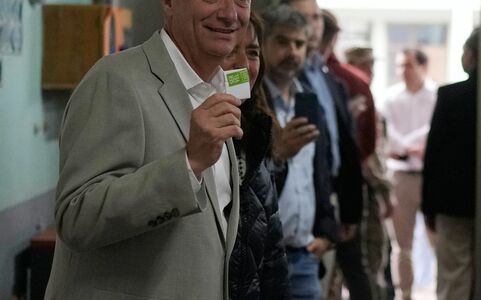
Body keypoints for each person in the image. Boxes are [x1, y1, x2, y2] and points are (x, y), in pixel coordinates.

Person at [45, 0, 252, 299]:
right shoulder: (115, 78)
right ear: (168, 3)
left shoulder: (220, 91)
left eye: (242, 0)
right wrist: (188, 162)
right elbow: (77, 217)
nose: (230, 14)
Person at [260, 5, 339, 300]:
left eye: (299, 44)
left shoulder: (309, 102)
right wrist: (277, 154)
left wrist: (327, 230)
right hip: (263, 257)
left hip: (305, 254)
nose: (292, 51)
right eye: (282, 42)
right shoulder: (250, 103)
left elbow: (320, 173)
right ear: (263, 43)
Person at [281, 0, 365, 245]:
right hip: (297, 206)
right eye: (304, 17)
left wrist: (348, 209)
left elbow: (344, 142)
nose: (313, 25)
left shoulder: (327, 76)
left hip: (330, 194)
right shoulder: (282, 75)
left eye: (316, 17)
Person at [221, 12, 290, 300]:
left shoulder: (255, 128)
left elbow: (270, 241)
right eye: (231, 50)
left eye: (252, 52)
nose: (243, 65)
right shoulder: (190, 128)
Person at [319, 9, 386, 300]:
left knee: (335, 272)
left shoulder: (331, 79)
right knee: (358, 266)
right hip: (346, 188)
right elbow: (368, 144)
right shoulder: (349, 81)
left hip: (327, 192)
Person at [421, 27, 479, 300]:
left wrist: (429, 207)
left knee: (454, 277)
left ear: (469, 56)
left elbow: (434, 155)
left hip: (452, 204)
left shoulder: (450, 96)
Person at [377, 48, 437, 300]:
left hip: (429, 175)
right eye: (400, 66)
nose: (403, 71)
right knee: (402, 246)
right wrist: (408, 147)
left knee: (438, 242)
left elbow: (434, 128)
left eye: (409, 65)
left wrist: (411, 145)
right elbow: (385, 132)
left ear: (423, 67)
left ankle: (440, 292)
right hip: (400, 176)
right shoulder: (389, 98)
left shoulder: (435, 96)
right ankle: (405, 295)